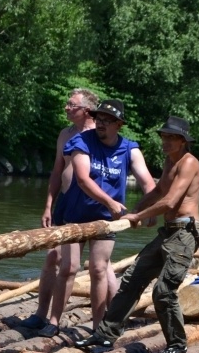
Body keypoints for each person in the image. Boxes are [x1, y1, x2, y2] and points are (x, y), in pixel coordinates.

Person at [75, 116, 199, 353]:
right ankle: (104, 335)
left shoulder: (189, 163)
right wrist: (133, 212)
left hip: (185, 233)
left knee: (163, 290)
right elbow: (159, 191)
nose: (165, 141)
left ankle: (177, 343)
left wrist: (138, 216)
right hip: (169, 231)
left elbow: (171, 201)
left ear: (183, 141)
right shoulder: (169, 161)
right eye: (163, 136)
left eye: (171, 138)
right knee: (132, 280)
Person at [46, 99, 155, 336]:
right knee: (68, 268)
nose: (101, 124)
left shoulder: (129, 149)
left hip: (106, 220)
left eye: (107, 120)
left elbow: (147, 182)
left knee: (98, 269)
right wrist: (111, 201)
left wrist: (149, 210)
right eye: (98, 119)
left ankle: (98, 327)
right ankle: (53, 321)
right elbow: (83, 179)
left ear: (119, 124)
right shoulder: (81, 141)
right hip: (75, 215)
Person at [20, 88, 100, 333]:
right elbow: (57, 171)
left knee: (91, 267)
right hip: (66, 201)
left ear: (86, 110)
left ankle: (99, 323)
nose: (66, 108)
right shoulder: (65, 134)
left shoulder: (100, 134)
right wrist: (48, 205)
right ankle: (41, 315)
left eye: (71, 105)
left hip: (93, 205)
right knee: (53, 258)